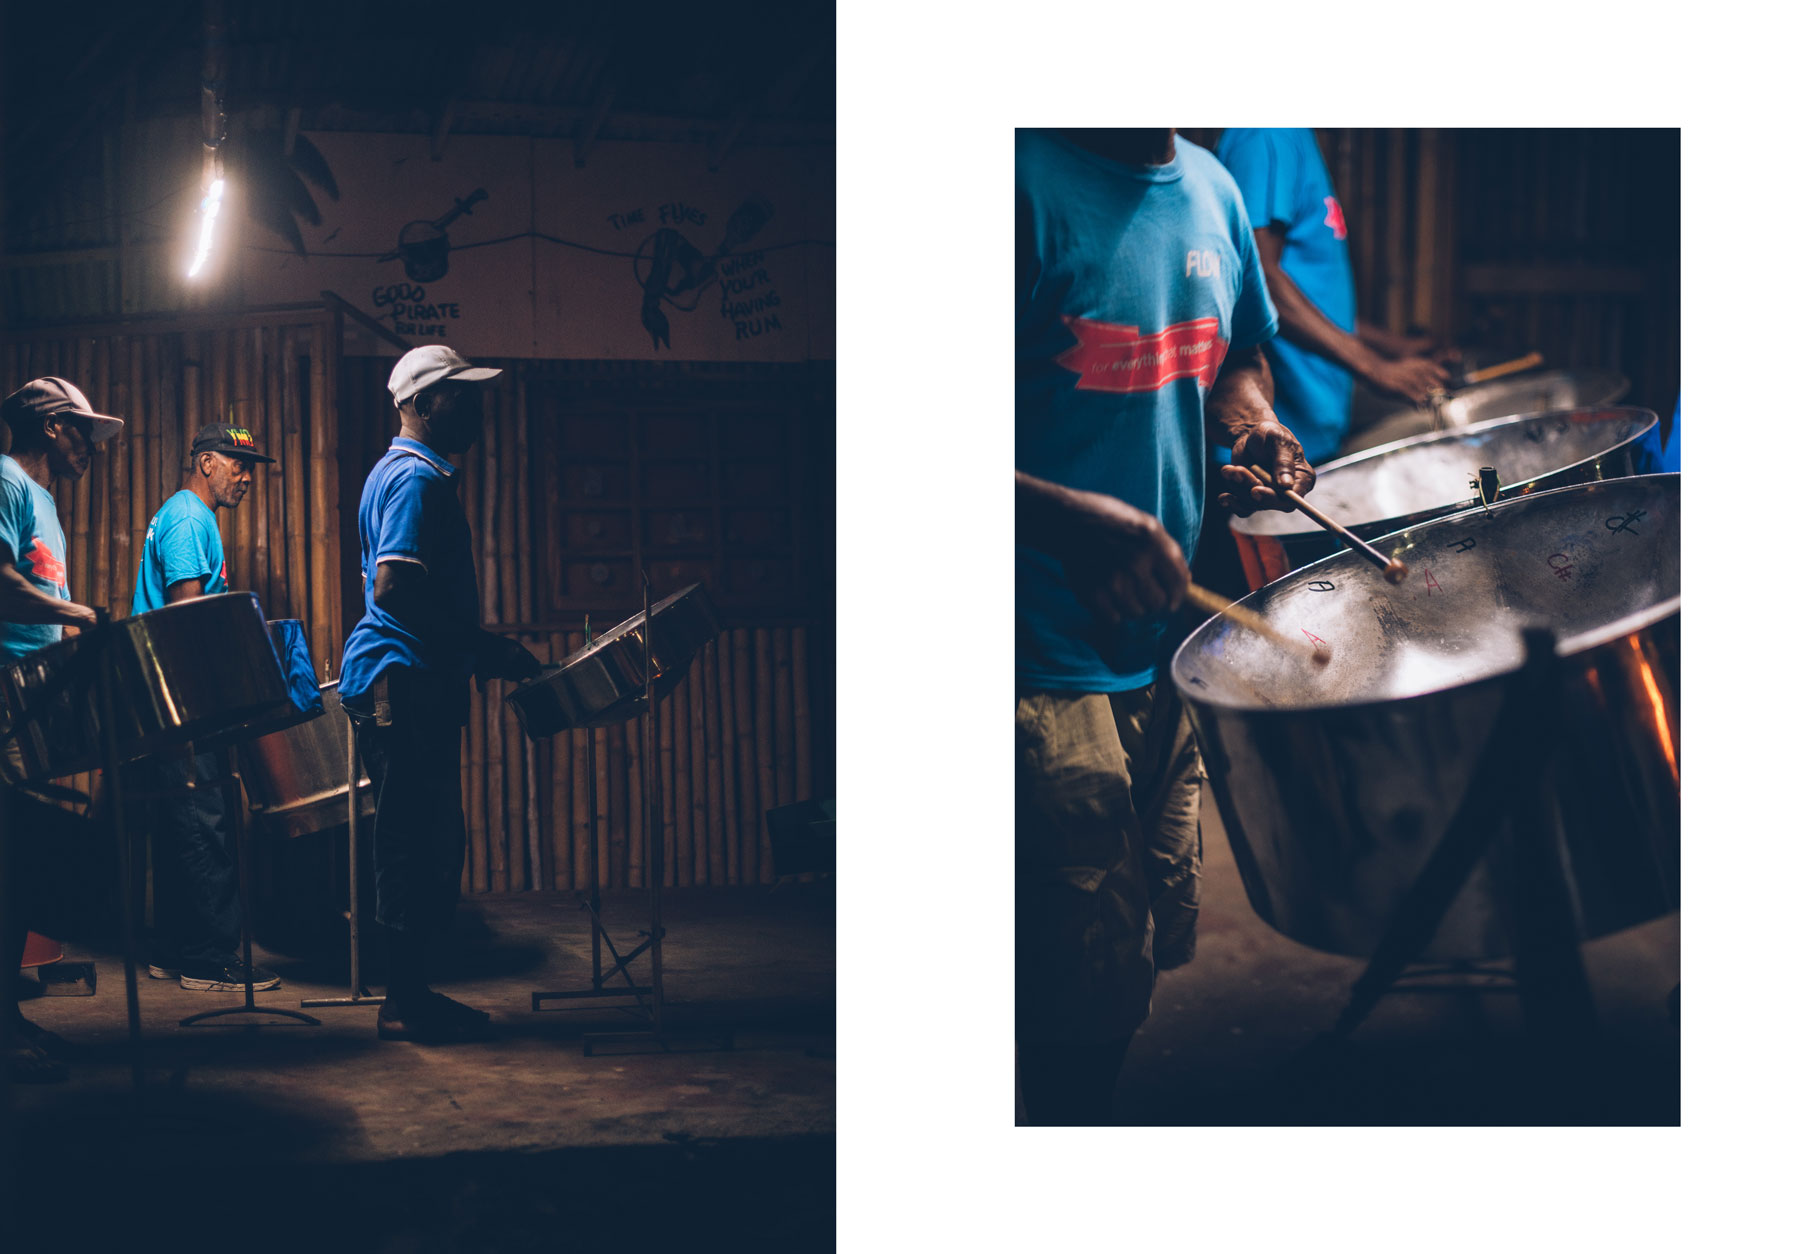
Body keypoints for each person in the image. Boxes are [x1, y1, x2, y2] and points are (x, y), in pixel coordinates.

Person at [1015, 129, 1314, 1124]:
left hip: (1160, 653)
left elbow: (1235, 361)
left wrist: (1253, 426)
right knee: (1062, 991)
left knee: (1131, 957)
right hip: (1037, 657)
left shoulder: (1215, 190)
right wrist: (1063, 520)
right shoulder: (1014, 181)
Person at [338, 345, 541, 1042]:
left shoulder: (394, 473)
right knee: (413, 839)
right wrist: (483, 647)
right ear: (423, 403)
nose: (475, 405)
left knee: (423, 836)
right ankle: (403, 1000)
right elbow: (393, 585)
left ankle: (411, 993)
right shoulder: (416, 480)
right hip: (401, 675)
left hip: (410, 675)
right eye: (460, 393)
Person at [129, 423, 280, 993]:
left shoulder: (183, 515)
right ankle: (208, 959)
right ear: (206, 462)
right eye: (238, 464)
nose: (246, 476)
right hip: (183, 698)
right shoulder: (191, 518)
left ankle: (173, 951)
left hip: (163, 700)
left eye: (251, 466)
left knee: (180, 826)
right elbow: (185, 622)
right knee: (204, 824)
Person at [1211, 128, 1452, 465]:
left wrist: (1392, 346)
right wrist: (1376, 367)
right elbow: (1260, 279)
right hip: (1268, 442)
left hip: (1311, 428)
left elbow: (1311, 294)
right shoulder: (1265, 134)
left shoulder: (1291, 135)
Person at [0, 377, 114, 1082]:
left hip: (33, 697)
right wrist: (81, 617)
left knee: (23, 864)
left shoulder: (43, 500)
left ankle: (9, 1022)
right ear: (50, 427)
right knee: (10, 860)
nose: (91, 449)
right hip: (5, 695)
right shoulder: (8, 481)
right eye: (83, 433)